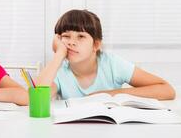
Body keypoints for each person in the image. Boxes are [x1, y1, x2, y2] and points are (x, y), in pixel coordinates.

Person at [37, 9, 175, 100]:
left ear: (96, 45)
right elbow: (36, 98)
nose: (72, 42)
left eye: (81, 36)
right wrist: (58, 55)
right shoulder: (58, 70)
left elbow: (167, 90)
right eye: (66, 36)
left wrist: (111, 94)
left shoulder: (112, 64)